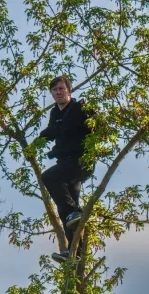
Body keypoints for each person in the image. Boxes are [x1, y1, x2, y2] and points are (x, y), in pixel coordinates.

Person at [38, 75, 94, 264]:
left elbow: (97, 125)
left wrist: (91, 114)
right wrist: (39, 141)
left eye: (61, 89)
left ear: (69, 90)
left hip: (80, 161)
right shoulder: (55, 113)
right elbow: (52, 131)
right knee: (66, 211)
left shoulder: (79, 109)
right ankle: (75, 254)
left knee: (49, 177)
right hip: (65, 164)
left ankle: (73, 212)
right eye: (55, 90)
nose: (58, 92)